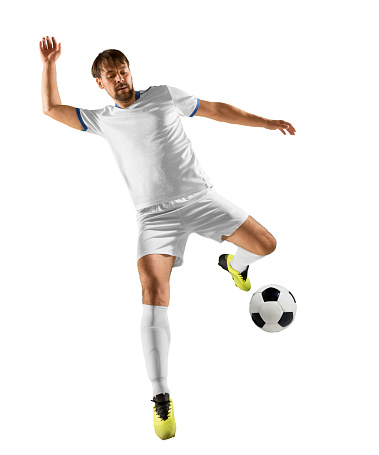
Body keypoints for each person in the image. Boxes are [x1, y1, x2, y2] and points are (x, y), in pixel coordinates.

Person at [40, 35, 296, 440]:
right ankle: (160, 395)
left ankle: (235, 263)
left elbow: (215, 109)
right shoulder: (102, 118)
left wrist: (266, 122)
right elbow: (51, 108)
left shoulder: (162, 95)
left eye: (123, 71)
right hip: (154, 219)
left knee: (266, 244)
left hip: (200, 198)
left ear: (130, 72)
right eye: (111, 76)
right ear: (100, 84)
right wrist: (49, 64)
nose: (120, 79)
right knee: (153, 293)